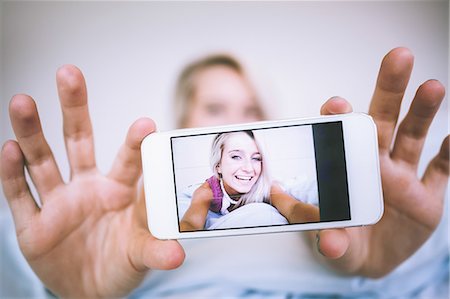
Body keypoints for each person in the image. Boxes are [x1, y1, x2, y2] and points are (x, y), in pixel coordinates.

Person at [0, 48, 448, 298]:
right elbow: (194, 215)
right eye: (215, 109)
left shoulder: (270, 186)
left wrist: (328, 215)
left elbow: (295, 207)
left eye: (251, 112)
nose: (237, 123)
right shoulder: (181, 199)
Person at [180, 130, 319, 231]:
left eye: (256, 158)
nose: (248, 168)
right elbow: (190, 223)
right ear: (218, 166)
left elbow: (293, 208)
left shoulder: (266, 186)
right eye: (236, 157)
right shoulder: (207, 191)